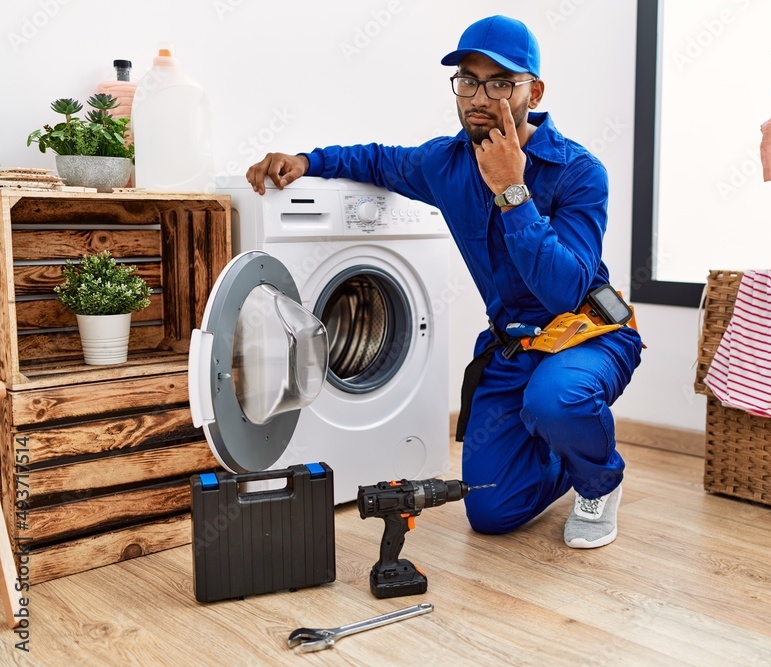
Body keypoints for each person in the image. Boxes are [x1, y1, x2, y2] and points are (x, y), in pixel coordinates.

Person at [246, 15, 643, 549]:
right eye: (467, 80)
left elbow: (564, 289)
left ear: (535, 90)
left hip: (589, 333)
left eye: (500, 82)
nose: (479, 96)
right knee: (491, 512)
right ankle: (566, 459)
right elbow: (380, 161)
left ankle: (599, 481)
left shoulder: (578, 172)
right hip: (514, 344)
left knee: (557, 398)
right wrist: (306, 159)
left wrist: (511, 189)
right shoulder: (446, 162)